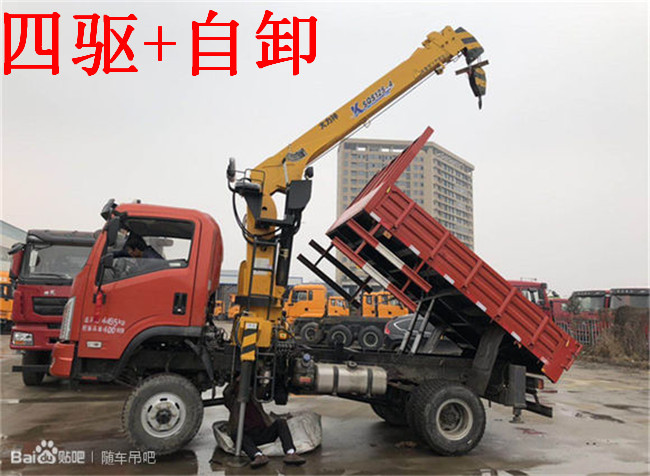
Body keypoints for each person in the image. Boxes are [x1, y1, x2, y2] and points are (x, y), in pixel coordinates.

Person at [223, 381, 306, 468]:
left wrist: (270, 381)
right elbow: (226, 393)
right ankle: (258, 456)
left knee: (280, 422)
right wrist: (236, 381)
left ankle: (291, 453)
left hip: (263, 433)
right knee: (236, 434)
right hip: (248, 437)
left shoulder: (254, 398)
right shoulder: (233, 402)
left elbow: (263, 391)